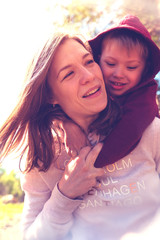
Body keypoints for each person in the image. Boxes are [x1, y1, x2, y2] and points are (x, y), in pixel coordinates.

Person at [0, 32, 120, 239]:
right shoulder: (42, 157)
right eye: (68, 74)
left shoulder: (148, 130)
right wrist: (65, 193)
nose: (89, 76)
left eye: (89, 62)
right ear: (50, 96)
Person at [89, 14, 160, 168]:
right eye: (110, 63)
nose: (119, 74)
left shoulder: (145, 97)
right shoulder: (91, 88)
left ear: (145, 69)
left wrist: (94, 161)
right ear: (98, 59)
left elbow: (130, 130)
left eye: (131, 67)